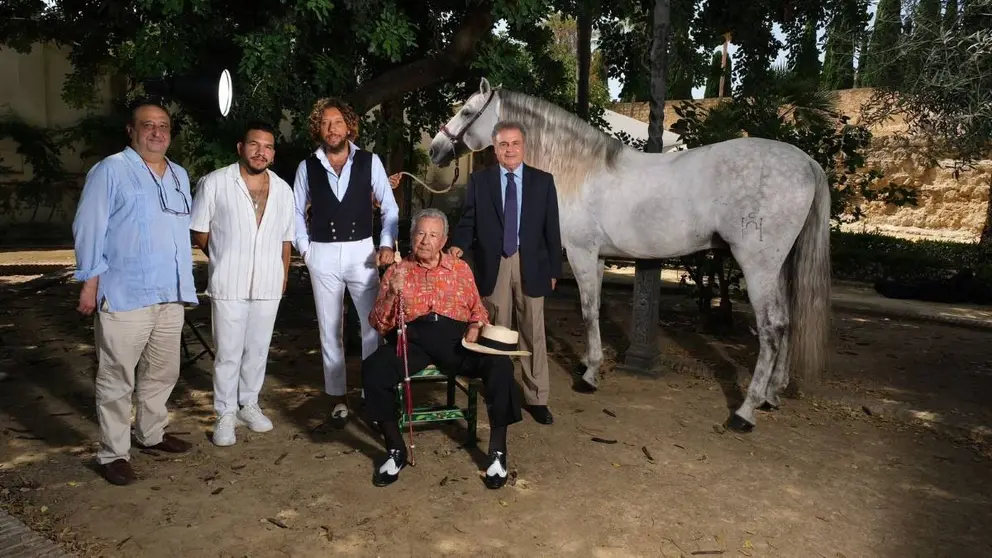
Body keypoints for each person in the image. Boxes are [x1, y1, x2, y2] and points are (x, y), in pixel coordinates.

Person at [72, 98, 197, 486]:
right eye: (148, 125)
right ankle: (112, 453)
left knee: (163, 372)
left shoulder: (179, 174)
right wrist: (89, 283)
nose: (156, 132)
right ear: (132, 130)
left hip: (170, 292)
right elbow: (88, 227)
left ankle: (151, 433)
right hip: (126, 292)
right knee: (116, 377)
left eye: (163, 126)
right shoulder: (110, 170)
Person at [363, 208, 524, 489]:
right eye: (420, 233)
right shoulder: (397, 271)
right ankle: (395, 449)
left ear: (444, 239)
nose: (425, 240)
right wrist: (391, 293)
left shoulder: (459, 269)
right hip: (412, 340)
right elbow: (378, 323)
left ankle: (498, 451)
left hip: (455, 341)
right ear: (411, 236)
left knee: (501, 365)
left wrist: (476, 325)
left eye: (433, 235)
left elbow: (478, 309)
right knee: (374, 368)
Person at [292, 97, 400, 424]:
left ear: (348, 125)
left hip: (362, 252)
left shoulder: (369, 161)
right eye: (325, 122)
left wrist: (385, 244)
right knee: (329, 328)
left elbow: (390, 208)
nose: (332, 128)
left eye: (338, 121)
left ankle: (371, 390)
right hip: (321, 253)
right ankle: (337, 397)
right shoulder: (307, 166)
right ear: (318, 128)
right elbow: (296, 212)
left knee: (371, 325)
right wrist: (306, 251)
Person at [449, 121, 562, 425]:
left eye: (515, 144)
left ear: (524, 147)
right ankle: (500, 391)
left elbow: (552, 229)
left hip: (532, 264)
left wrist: (554, 268)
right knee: (496, 332)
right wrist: (458, 246)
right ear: (495, 148)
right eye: (503, 144)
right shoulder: (480, 181)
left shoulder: (543, 181)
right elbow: (468, 220)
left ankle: (537, 397)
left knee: (532, 332)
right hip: (494, 264)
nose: (509, 149)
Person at [190, 121, 295, 447]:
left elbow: (286, 241)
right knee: (227, 353)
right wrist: (222, 257)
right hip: (229, 283)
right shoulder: (216, 183)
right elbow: (200, 232)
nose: (260, 152)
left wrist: (283, 278)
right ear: (241, 147)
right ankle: (224, 413)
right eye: (254, 144)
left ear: (273, 154)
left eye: (267, 147)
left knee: (258, 350)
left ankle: (249, 403)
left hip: (268, 283)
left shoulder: (283, 190)